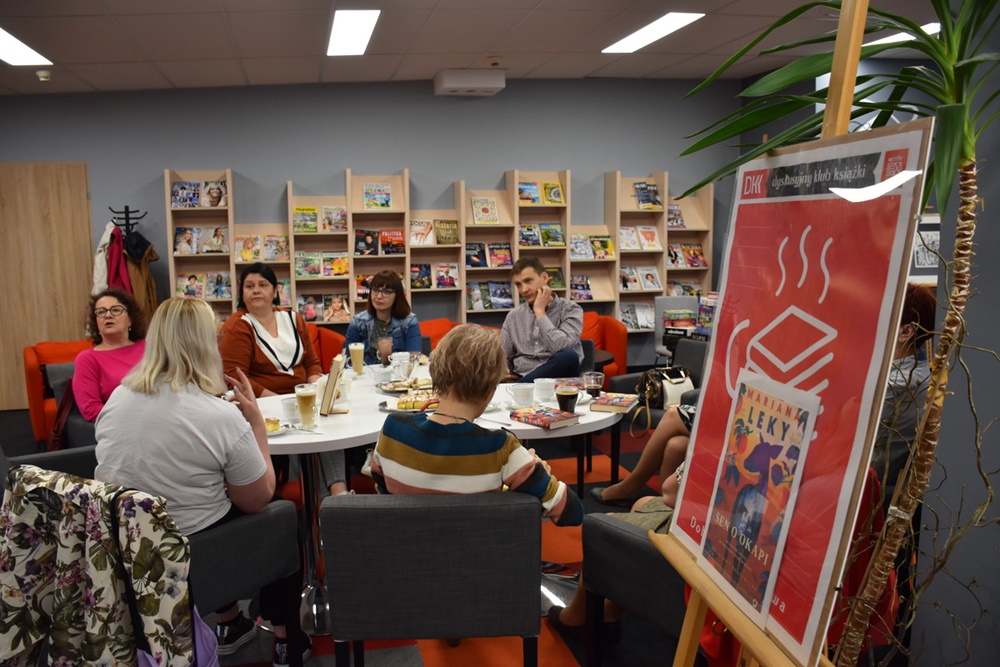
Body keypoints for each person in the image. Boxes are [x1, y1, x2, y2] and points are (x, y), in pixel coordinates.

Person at [92, 298, 305, 664]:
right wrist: (255, 424)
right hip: (188, 555)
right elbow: (256, 498)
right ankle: (287, 638)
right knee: (285, 517)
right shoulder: (217, 415)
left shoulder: (118, 398)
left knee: (209, 500)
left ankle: (229, 622)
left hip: (118, 547)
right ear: (207, 343)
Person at [370, 324, 583, 526]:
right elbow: (572, 513)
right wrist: (537, 474)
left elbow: (385, 496)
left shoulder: (392, 430)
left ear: (434, 374)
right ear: (490, 391)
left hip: (403, 559)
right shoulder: (502, 448)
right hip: (481, 561)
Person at [219, 263, 348, 496]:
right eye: (249, 286)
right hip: (265, 407)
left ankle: (338, 495)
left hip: (303, 398)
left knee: (326, 422)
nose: (256, 290)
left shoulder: (294, 318)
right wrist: (282, 401)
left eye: (262, 284)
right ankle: (327, 502)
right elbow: (235, 377)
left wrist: (314, 387)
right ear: (241, 293)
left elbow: (312, 362)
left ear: (275, 290)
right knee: (307, 429)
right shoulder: (238, 326)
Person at [501, 256, 583, 382]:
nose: (524, 290)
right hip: (522, 376)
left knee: (568, 356)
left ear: (544, 278)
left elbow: (560, 347)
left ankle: (520, 387)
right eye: (518, 284)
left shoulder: (571, 309)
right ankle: (522, 385)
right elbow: (504, 357)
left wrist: (540, 312)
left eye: (528, 281)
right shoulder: (513, 316)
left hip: (559, 379)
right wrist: (503, 370)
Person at [73, 289, 147, 422]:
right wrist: (134, 417)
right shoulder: (87, 359)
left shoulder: (150, 347)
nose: (108, 315)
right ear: (96, 323)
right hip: (121, 424)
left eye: (115, 310)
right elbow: (90, 409)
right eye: (101, 312)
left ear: (130, 319)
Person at [344, 270, 422, 365]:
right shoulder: (358, 322)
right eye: (375, 290)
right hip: (367, 376)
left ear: (397, 296)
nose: (379, 296)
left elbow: (413, 359)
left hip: (400, 375)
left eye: (386, 292)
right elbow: (348, 362)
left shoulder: (409, 322)